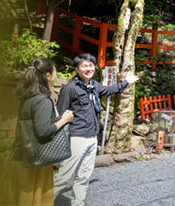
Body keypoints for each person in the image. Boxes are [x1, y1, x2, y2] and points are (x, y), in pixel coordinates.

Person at [54, 53, 139, 206]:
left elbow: (108, 90)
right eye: (84, 66)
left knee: (84, 175)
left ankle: (77, 203)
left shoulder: (94, 86)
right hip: (76, 137)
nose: (89, 68)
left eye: (91, 65)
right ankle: (43, 201)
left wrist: (126, 82)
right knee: (64, 176)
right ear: (77, 69)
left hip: (92, 136)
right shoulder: (70, 89)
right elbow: (61, 113)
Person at [0, 58, 74, 206]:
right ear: (47, 76)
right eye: (54, 71)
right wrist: (64, 120)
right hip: (34, 163)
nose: (56, 74)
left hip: (20, 157)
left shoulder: (28, 97)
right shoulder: (42, 100)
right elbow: (43, 131)